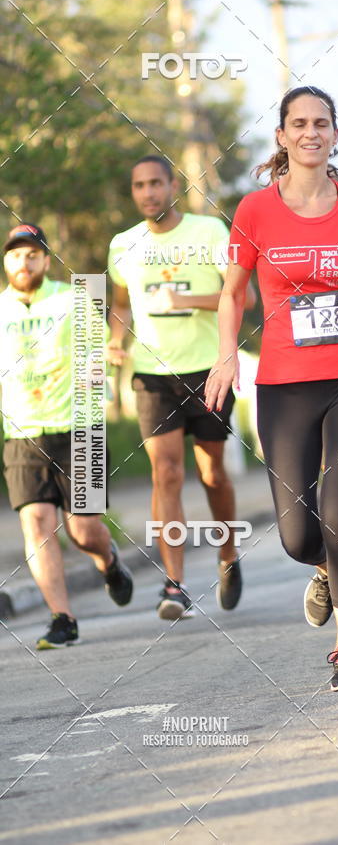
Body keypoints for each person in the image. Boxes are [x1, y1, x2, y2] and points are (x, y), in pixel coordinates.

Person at [206, 85, 338, 691]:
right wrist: (224, 358)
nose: (311, 131)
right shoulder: (255, 211)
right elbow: (234, 292)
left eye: (322, 122)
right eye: (300, 123)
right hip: (286, 383)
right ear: (283, 137)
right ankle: (325, 568)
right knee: (296, 533)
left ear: (335, 134)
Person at [107, 156, 255, 620]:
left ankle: (228, 555)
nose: (148, 192)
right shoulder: (123, 245)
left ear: (172, 185)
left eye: (156, 183)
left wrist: (187, 299)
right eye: (139, 186)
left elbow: (242, 297)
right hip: (152, 375)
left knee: (212, 473)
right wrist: (115, 340)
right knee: (165, 474)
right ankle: (175, 585)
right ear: (133, 193)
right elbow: (121, 304)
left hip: (209, 372)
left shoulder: (209, 232)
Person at [0, 224, 133, 649]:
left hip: (81, 430)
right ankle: (62, 618)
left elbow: (97, 357)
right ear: (6, 261)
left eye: (33, 253)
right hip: (22, 433)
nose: (25, 261)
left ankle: (109, 560)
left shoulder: (75, 299)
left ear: (46, 260)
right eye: (17, 254)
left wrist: (104, 363)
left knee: (83, 531)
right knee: (36, 522)